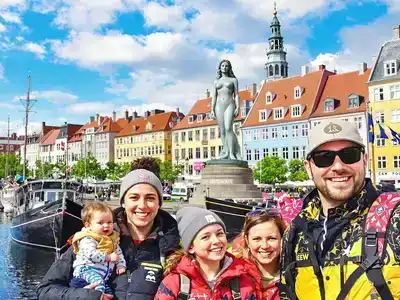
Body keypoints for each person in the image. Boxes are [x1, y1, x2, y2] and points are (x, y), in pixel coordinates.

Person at [279, 120, 400, 300]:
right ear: (308, 167)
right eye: (324, 157)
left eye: (349, 155)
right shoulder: (295, 233)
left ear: (364, 160)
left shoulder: (395, 219)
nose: (338, 167)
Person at [37, 169, 181, 300]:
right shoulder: (92, 239)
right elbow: (45, 290)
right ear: (123, 202)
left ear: (159, 204)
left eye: (150, 198)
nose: (142, 205)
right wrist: (85, 296)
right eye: (134, 197)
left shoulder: (172, 248)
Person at [155, 207, 261, 300]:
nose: (216, 241)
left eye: (219, 233)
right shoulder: (174, 283)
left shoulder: (243, 280)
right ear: (191, 247)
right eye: (206, 237)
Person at [70, 202, 126, 298]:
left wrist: (121, 265)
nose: (106, 226)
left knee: (109, 293)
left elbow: (118, 253)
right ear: (88, 225)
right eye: (100, 223)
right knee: (99, 286)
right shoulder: (88, 238)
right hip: (85, 272)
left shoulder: (112, 239)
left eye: (109, 222)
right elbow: (90, 254)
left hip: (101, 277)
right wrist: (108, 257)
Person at [231, 208, 285, 299]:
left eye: (272, 238)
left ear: (282, 239)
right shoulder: (233, 275)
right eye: (257, 239)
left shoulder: (296, 275)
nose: (264, 246)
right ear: (247, 241)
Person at [211, 59, 241, 160]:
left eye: (227, 66)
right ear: (220, 68)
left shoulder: (233, 80)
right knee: (222, 130)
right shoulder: (216, 82)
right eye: (223, 66)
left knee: (229, 128)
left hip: (230, 104)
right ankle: (226, 151)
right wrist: (212, 109)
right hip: (219, 106)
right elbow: (214, 96)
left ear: (229, 68)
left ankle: (232, 153)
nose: (225, 67)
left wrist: (238, 106)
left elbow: (236, 94)